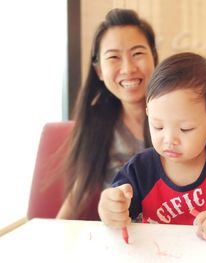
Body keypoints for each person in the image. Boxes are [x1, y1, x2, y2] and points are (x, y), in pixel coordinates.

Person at [98, 52, 206, 244]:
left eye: (185, 129)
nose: (169, 140)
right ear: (148, 114)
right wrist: (110, 209)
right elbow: (118, 209)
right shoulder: (140, 169)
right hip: (159, 252)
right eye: (158, 126)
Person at [56, 8, 158, 219]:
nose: (128, 68)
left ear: (154, 58)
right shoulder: (96, 122)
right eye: (113, 57)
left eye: (137, 53)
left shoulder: (180, 115)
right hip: (122, 237)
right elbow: (80, 189)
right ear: (99, 71)